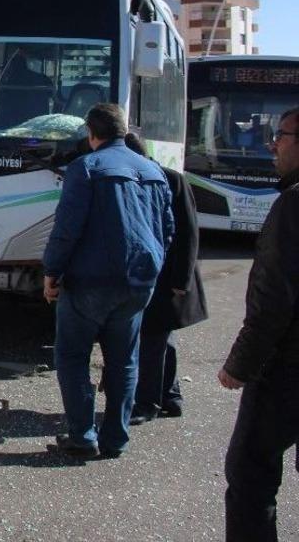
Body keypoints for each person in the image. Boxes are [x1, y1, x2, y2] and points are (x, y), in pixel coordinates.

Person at [42, 103, 173, 459]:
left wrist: (51, 272)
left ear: (91, 132)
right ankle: (116, 438)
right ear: (124, 130)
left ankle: (83, 435)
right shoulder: (153, 170)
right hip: (138, 282)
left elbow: (66, 229)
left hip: (90, 281)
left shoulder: (85, 168)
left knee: (72, 356)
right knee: (124, 360)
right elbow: (167, 230)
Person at [219, 106, 299, 541]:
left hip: (286, 370)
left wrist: (240, 365)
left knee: (250, 471)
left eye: (282, 135)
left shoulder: (294, 204)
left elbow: (274, 298)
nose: (273, 144)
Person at [124, 134, 208, 425]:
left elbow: (188, 232)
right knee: (163, 338)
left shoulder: (172, 180)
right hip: (160, 276)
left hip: (168, 277)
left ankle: (147, 402)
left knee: (151, 339)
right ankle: (171, 395)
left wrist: (180, 280)